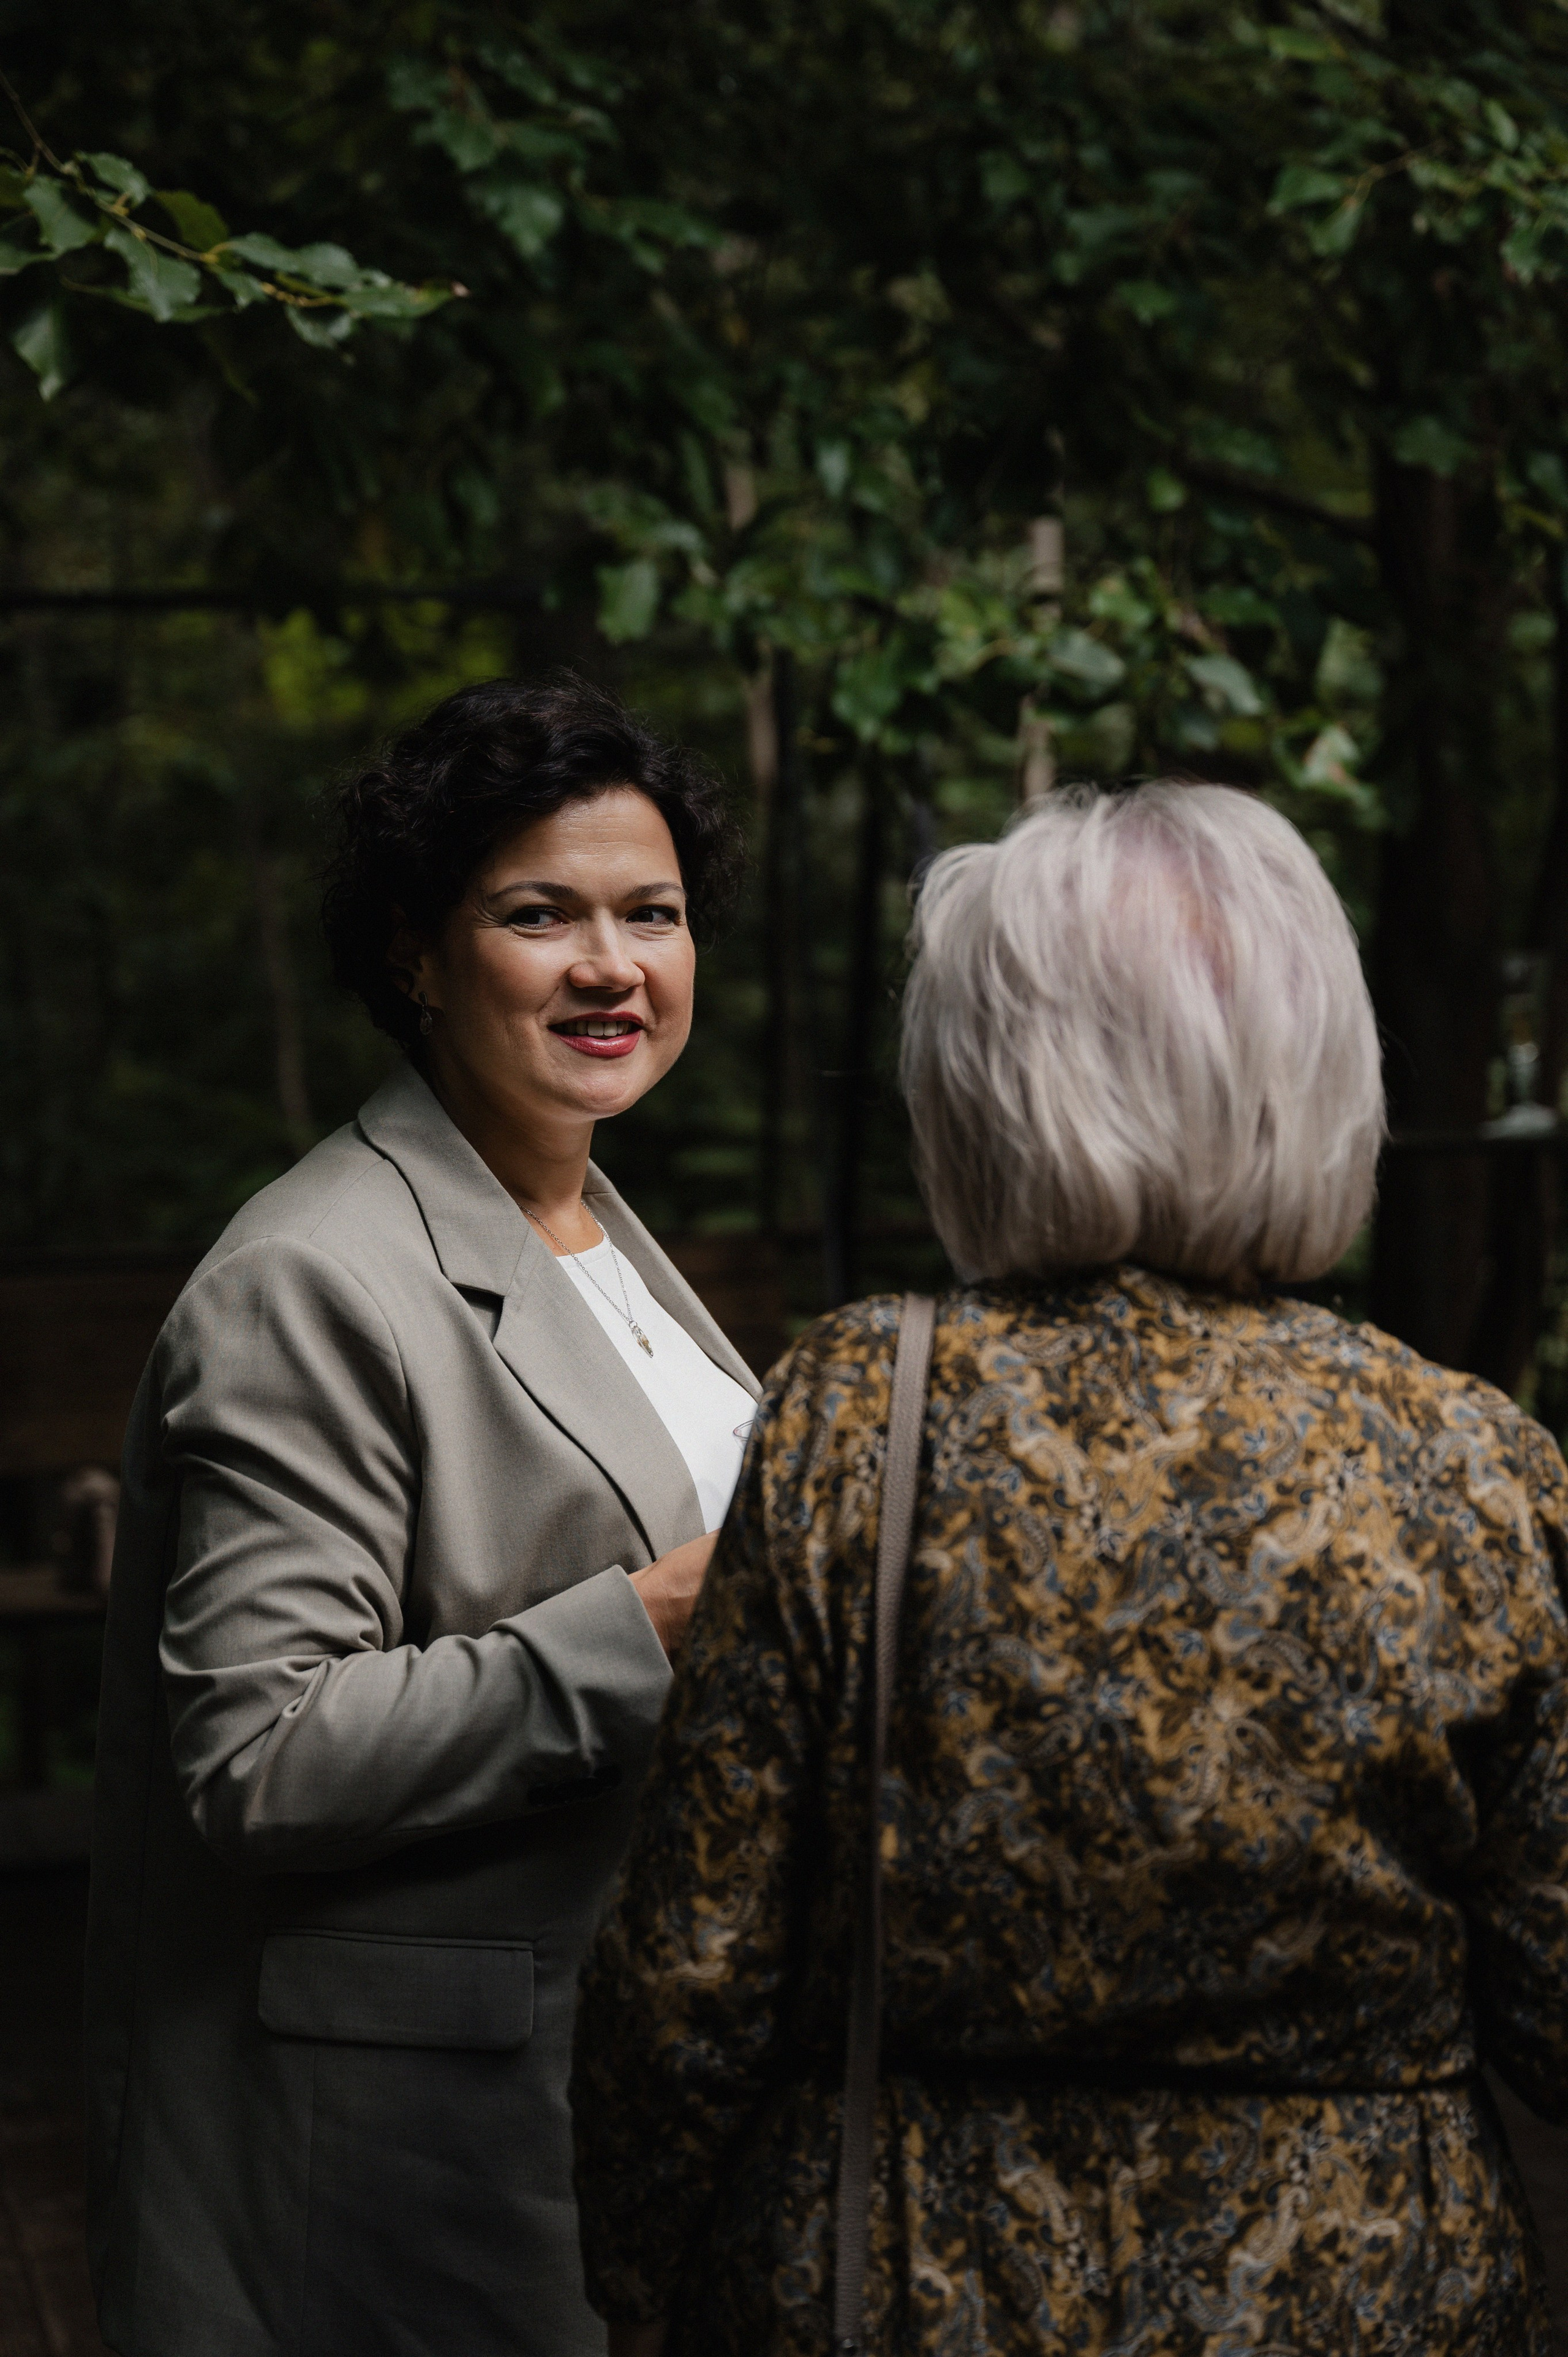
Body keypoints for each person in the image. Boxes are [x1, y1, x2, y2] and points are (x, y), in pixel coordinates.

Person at [571, 781, 1568, 2357]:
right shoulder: (1472, 1465)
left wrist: (643, 2279)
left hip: (910, 2279)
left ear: (979, 1085)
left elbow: (692, 1975)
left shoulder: (860, 1417)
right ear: (1319, 1072)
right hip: (1373, 2297)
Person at [85, 673, 758, 2357]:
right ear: (415, 951)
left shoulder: (587, 1215)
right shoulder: (314, 1275)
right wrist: (654, 1626)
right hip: (401, 2140)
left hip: (602, 2083)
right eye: (542, 914)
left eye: (651, 914)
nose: (613, 964)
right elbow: (259, 1751)